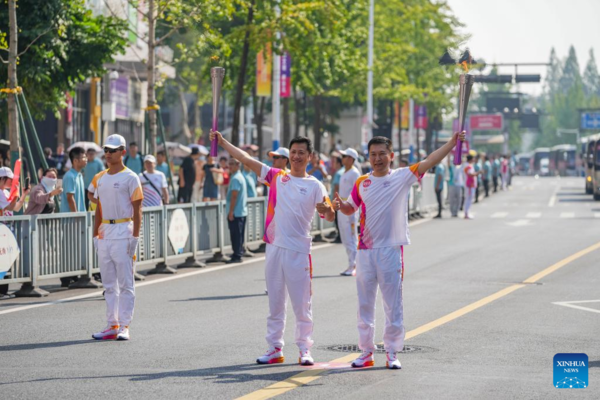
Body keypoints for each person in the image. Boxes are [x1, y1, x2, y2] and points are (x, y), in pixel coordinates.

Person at [335, 132, 466, 370]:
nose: (377, 159)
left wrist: (452, 143)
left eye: (382, 154)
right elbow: (349, 208)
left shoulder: (402, 177)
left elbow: (430, 160)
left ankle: (392, 352)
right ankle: (365, 352)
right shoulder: (361, 182)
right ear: (368, 157)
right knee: (364, 304)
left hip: (390, 251)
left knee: (392, 304)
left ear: (391, 156)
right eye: (373, 154)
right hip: (365, 251)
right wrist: (338, 205)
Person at [210, 130, 335, 366]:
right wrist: (223, 142)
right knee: (275, 303)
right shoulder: (277, 177)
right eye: (293, 153)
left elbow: (329, 215)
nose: (297, 156)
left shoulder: (316, 186)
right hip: (275, 248)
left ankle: (304, 349)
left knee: (302, 305)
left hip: (299, 251)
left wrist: (326, 209)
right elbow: (247, 160)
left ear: (310, 157)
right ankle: (275, 347)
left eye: (301, 153)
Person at [91, 134, 143, 341]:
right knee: (108, 284)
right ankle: (111, 325)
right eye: (106, 150)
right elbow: (98, 209)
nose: (108, 154)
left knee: (126, 283)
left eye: (113, 150)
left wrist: (135, 237)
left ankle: (125, 326)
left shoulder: (131, 177)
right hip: (105, 233)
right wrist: (95, 235)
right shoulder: (101, 178)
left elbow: (138, 210)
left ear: (122, 152)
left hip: (124, 231)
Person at [337, 148, 361, 276]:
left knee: (351, 237)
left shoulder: (354, 173)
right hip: (342, 208)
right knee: (345, 237)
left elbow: (357, 192)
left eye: (345, 156)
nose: (343, 158)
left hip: (350, 208)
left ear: (351, 159)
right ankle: (351, 264)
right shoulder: (345, 173)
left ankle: (354, 265)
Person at [225, 158, 248, 264]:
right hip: (241, 211)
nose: (229, 166)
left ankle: (237, 255)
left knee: (236, 235)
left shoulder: (235, 178)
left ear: (237, 165)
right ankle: (238, 252)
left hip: (236, 212)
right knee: (239, 234)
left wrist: (231, 211)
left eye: (232, 164)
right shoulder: (240, 176)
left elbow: (234, 196)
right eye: (229, 164)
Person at [60, 147, 87, 213]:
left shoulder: (79, 175)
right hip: (70, 220)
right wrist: (76, 215)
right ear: (75, 161)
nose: (86, 159)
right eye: (83, 157)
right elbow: (70, 198)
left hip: (79, 218)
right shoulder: (70, 176)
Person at [464, 154, 482, 219]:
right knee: (468, 199)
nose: (474, 159)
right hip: (469, 185)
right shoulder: (468, 166)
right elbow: (470, 174)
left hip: (471, 185)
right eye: (473, 158)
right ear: (471, 159)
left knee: (470, 199)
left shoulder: (470, 165)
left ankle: (467, 212)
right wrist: (477, 173)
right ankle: (466, 213)